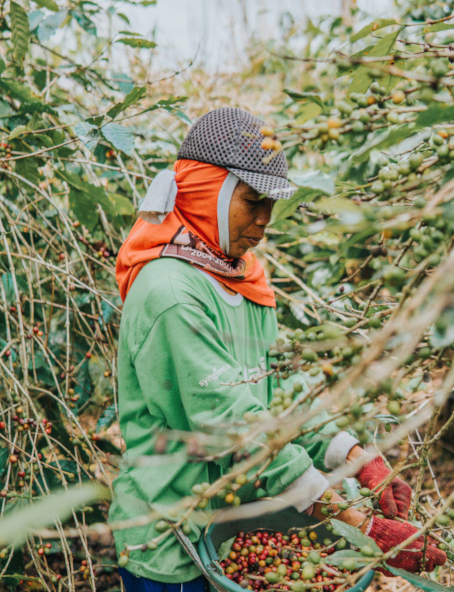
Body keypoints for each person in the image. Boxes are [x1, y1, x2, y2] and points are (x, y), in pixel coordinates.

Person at [110, 108, 446, 592]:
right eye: (252, 201)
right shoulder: (171, 294)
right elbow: (234, 424)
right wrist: (362, 525)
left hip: (231, 521)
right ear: (208, 192)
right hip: (170, 542)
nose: (265, 219)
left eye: (271, 203)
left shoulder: (242, 275)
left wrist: (355, 455)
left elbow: (278, 389)